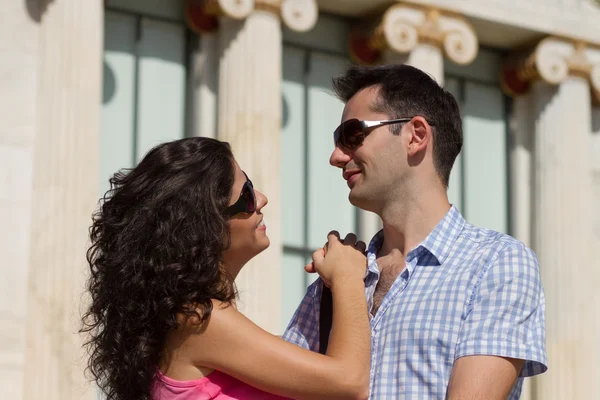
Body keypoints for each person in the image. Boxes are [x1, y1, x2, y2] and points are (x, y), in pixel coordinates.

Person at [283, 64, 547, 399]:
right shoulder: (337, 277)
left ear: (416, 135)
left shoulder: (496, 263)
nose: (336, 156)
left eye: (352, 135)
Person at [81, 137, 371, 400]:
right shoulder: (199, 320)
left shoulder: (188, 321)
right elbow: (349, 382)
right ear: (205, 225)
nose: (261, 199)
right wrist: (346, 274)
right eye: (246, 194)